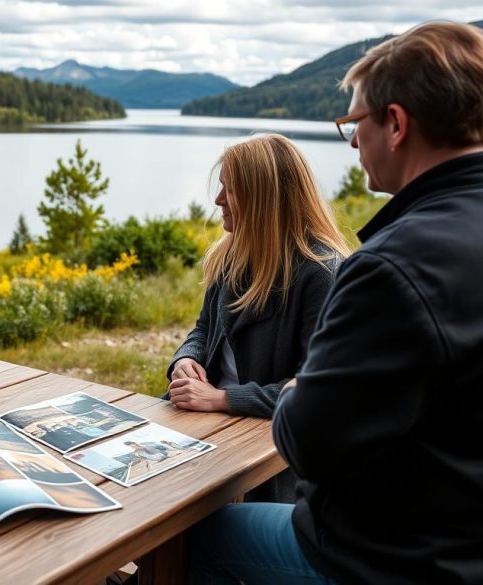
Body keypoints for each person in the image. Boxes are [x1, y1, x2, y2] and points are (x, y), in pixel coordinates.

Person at [187, 21, 483, 584]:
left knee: (196, 538)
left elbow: (310, 444)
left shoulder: (389, 267)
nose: (352, 143)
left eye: (353, 123)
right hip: (457, 533)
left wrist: (299, 387)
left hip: (393, 557)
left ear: (395, 124)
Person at [166, 133, 350, 502]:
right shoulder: (231, 255)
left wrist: (223, 399)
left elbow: (315, 392)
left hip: (268, 456)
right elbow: (203, 329)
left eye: (229, 190)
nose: (218, 200)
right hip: (201, 427)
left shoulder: (320, 273)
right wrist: (185, 358)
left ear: (263, 198)